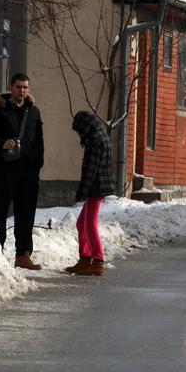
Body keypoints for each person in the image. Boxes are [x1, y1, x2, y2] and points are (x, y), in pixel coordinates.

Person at [0, 72, 45, 270]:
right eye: (19, 87)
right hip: (5, 168)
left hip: (28, 171)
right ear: (11, 87)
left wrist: (37, 164)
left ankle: (23, 255)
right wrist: (2, 143)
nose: (22, 91)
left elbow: (39, 140)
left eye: (25, 87)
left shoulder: (33, 111)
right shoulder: (0, 109)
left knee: (26, 213)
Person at [66, 110, 116, 277]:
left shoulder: (95, 140)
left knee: (89, 224)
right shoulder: (101, 135)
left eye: (79, 130)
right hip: (98, 186)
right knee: (82, 224)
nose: (80, 134)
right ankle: (85, 258)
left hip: (96, 187)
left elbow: (91, 169)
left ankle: (98, 260)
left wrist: (83, 191)